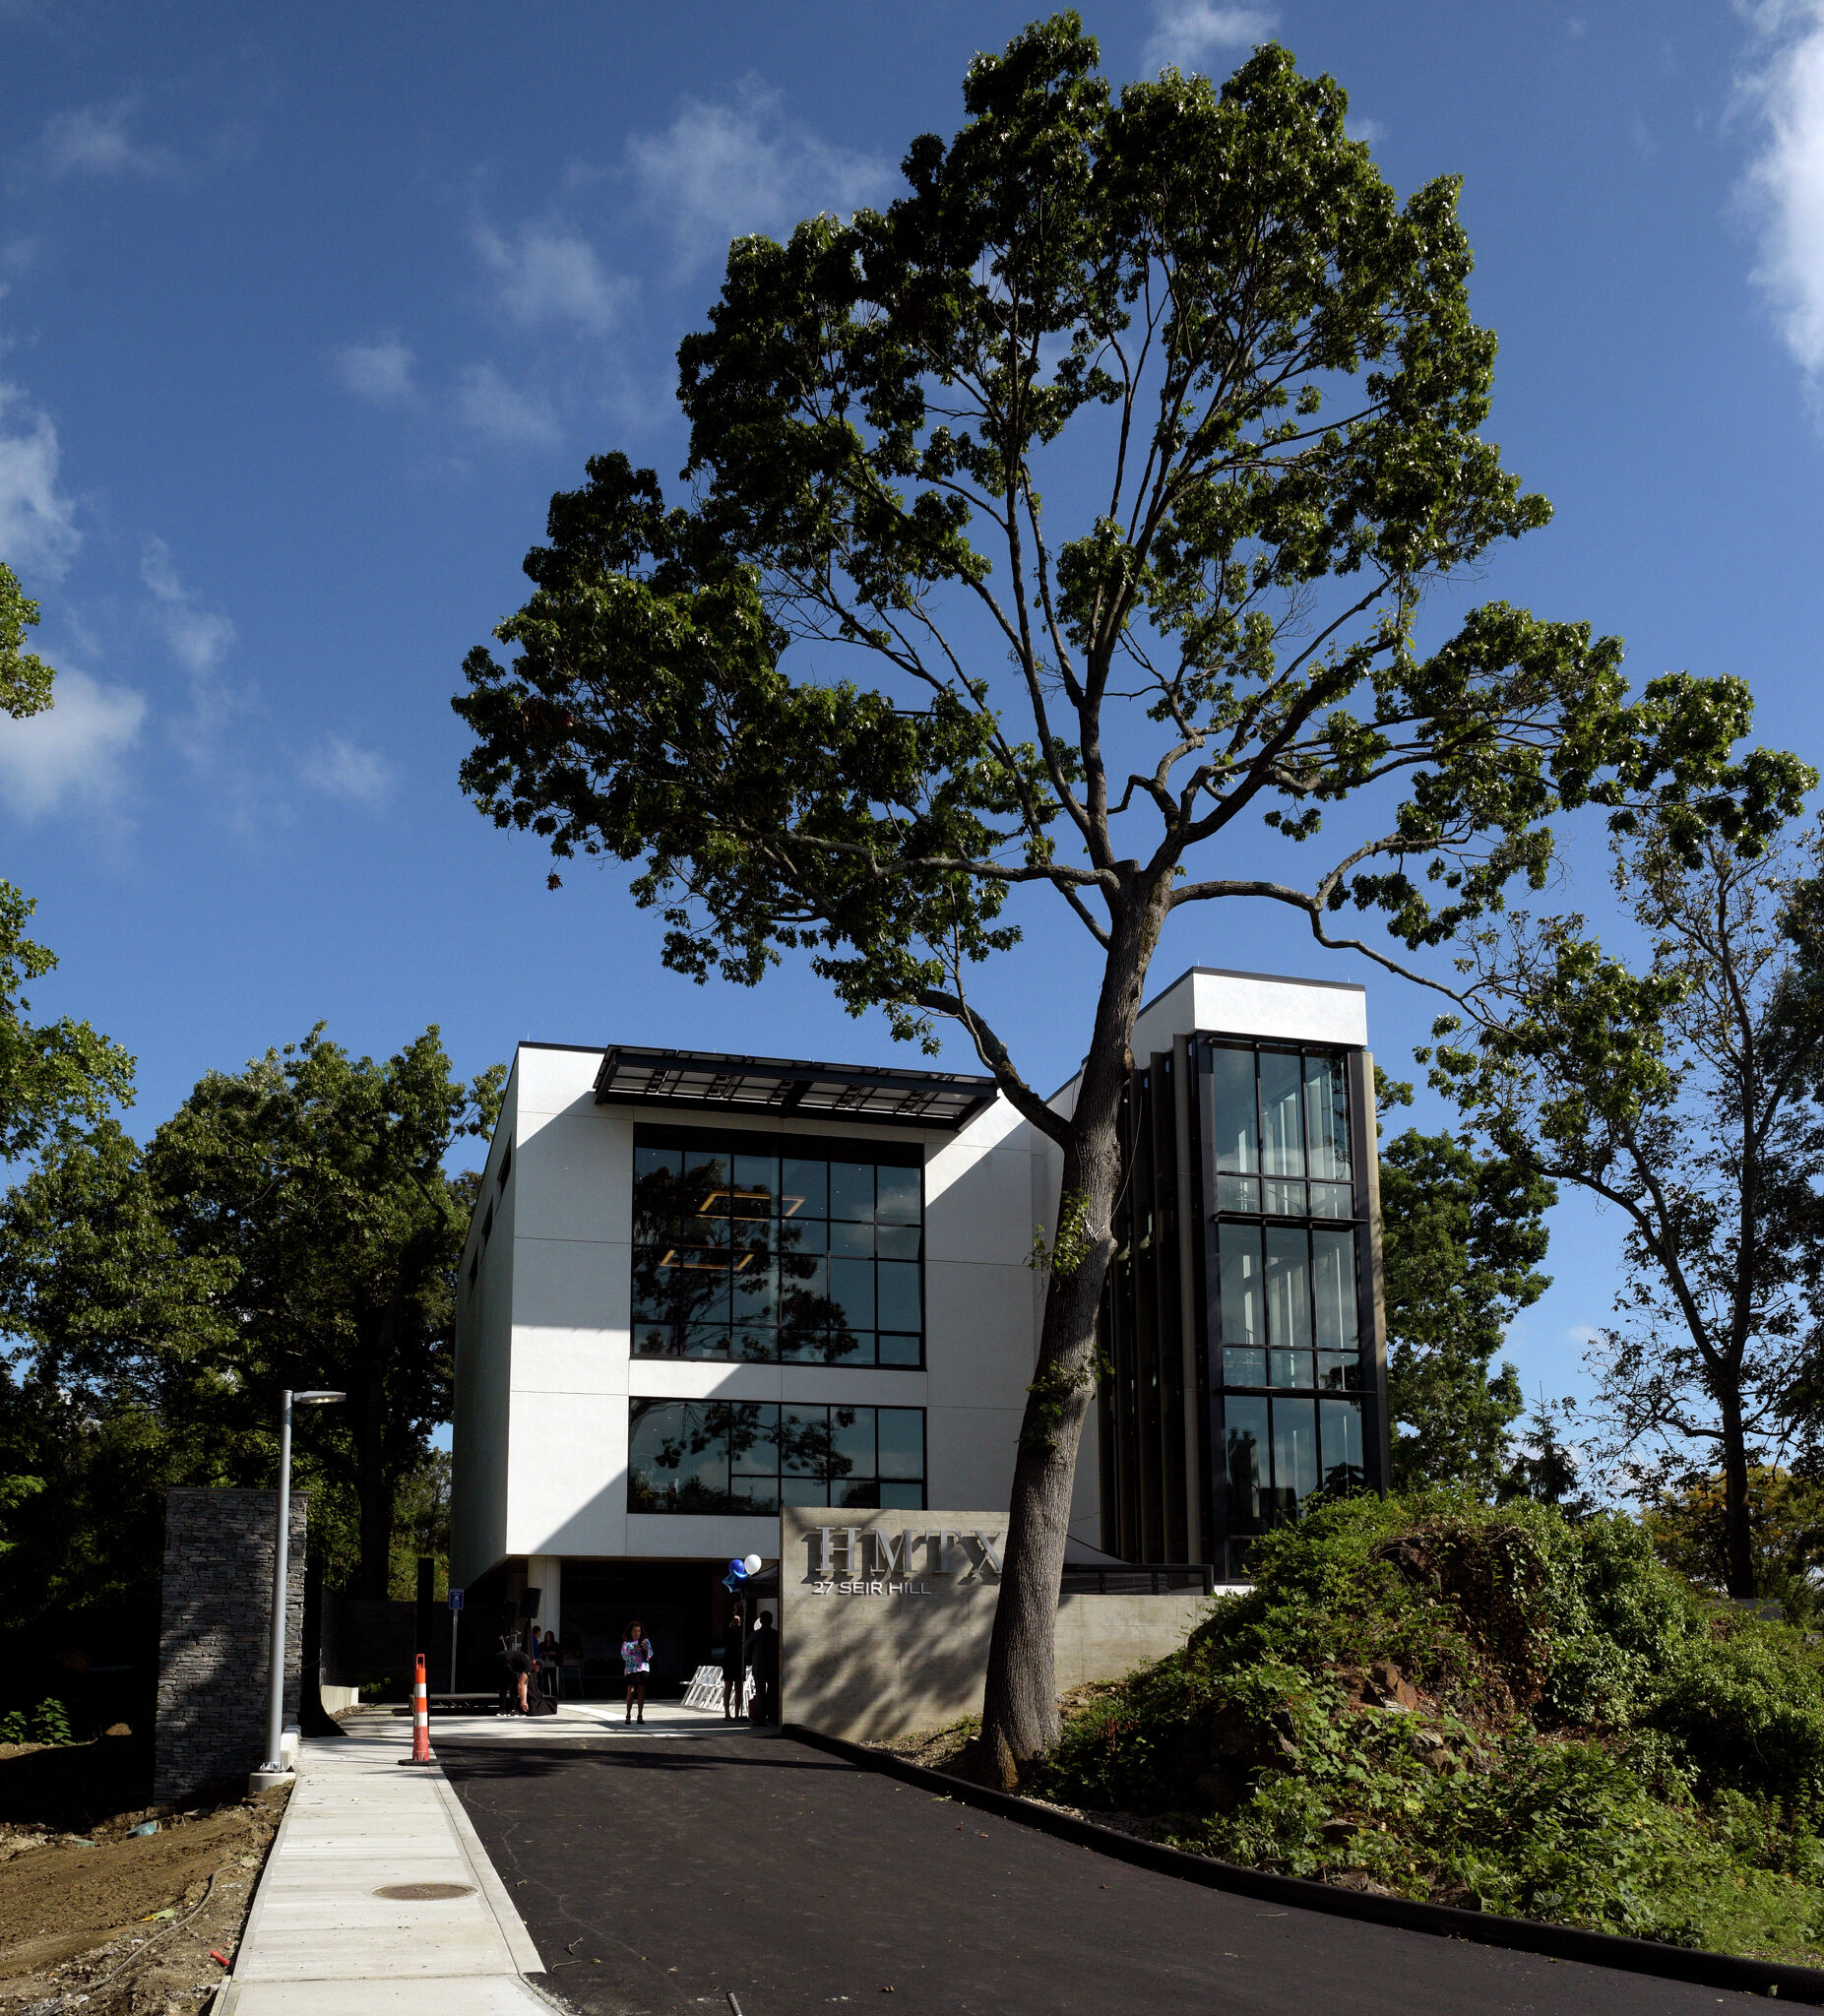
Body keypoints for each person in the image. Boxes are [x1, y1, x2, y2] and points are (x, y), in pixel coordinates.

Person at [748, 1611, 779, 1726]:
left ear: (760, 1621)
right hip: (773, 1666)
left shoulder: (755, 1635)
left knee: (760, 1692)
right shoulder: (776, 1635)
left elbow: (747, 1648)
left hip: (760, 1666)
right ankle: (772, 1716)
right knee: (772, 1692)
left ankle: (762, 1718)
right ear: (771, 1620)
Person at [621, 1620, 653, 1724]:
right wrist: (632, 1650)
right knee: (630, 1691)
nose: (636, 1633)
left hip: (643, 1668)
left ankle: (640, 1715)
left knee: (641, 1692)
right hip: (631, 1670)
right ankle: (628, 1714)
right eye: (634, 1631)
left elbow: (650, 1655)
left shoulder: (645, 1641)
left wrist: (645, 1649)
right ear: (631, 1632)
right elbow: (624, 1656)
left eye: (638, 1631)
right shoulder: (627, 1643)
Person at [721, 1602, 746, 1722]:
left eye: (738, 1621)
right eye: (734, 1621)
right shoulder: (727, 1630)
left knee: (739, 1685)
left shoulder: (742, 1632)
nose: (736, 1623)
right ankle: (727, 1713)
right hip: (729, 1658)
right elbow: (725, 1634)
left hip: (739, 1658)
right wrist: (735, 1611)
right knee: (728, 1685)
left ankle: (737, 1713)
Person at [538, 1628, 559, 1702]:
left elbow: (556, 1653)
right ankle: (547, 1694)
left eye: (549, 1636)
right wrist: (544, 1653)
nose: (547, 1637)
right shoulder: (542, 1644)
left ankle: (554, 1695)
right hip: (544, 1663)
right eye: (546, 1635)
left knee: (553, 1680)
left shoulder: (555, 1644)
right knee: (545, 1680)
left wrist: (550, 1653)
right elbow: (540, 1652)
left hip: (552, 1664)